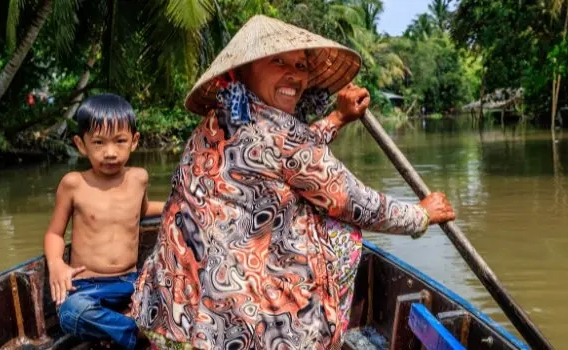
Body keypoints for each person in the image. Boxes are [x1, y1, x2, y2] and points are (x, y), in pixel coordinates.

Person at [131, 15, 455, 350]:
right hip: (232, 331)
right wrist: (422, 215)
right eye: (278, 61)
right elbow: (356, 202)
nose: (294, 74)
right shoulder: (284, 136)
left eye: (300, 64)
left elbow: (288, 157)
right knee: (340, 232)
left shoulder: (220, 120)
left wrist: (337, 119)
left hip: (168, 313)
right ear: (242, 71)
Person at [43, 93, 165, 349]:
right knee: (70, 314)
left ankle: (119, 327)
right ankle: (138, 331)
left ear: (134, 141)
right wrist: (56, 264)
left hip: (130, 281)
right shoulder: (73, 184)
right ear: (81, 144)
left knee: (173, 286)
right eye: (98, 142)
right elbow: (55, 233)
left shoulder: (139, 178)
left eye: (120, 141)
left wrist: (175, 207)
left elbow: (140, 212)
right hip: (86, 287)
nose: (110, 152)